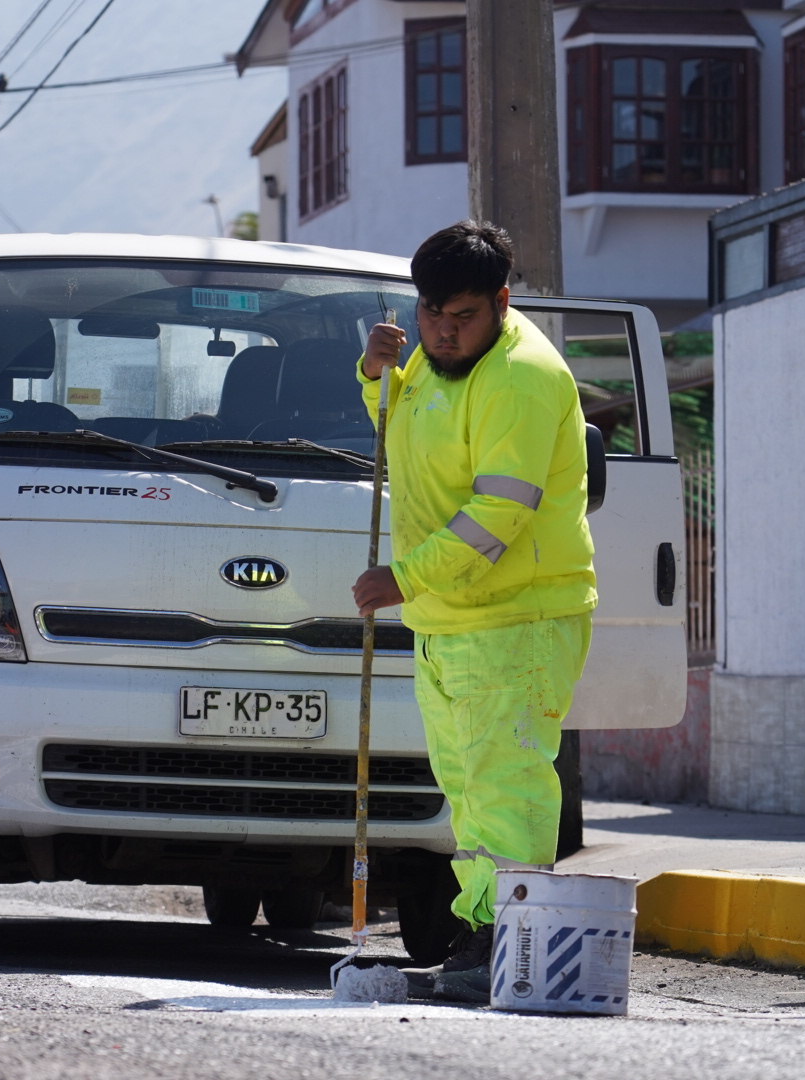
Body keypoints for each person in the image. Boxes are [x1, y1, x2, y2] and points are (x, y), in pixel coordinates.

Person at [352, 220, 596, 1003]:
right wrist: (375, 375)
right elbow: (407, 431)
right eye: (430, 315)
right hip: (449, 620)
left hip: (516, 618)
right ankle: (485, 935)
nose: (444, 333)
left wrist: (403, 577)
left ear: (501, 301)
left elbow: (500, 512)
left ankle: (510, 939)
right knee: (469, 792)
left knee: (508, 785)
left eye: (461, 318)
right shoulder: (431, 360)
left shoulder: (521, 375)